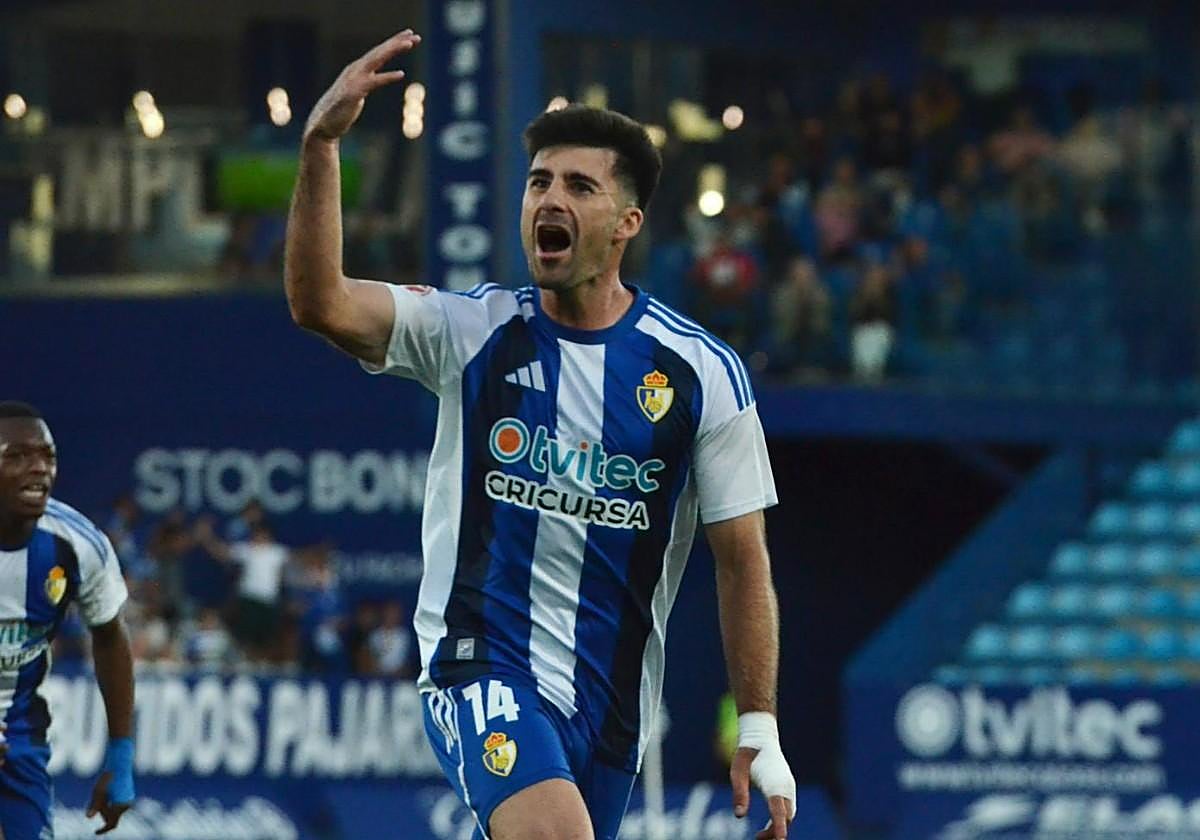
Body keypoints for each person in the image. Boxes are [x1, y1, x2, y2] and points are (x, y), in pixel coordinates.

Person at [284, 29, 795, 840]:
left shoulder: (701, 373)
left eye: (579, 187)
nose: (550, 200)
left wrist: (759, 724)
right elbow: (321, 302)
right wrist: (320, 148)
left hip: (612, 706)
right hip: (480, 665)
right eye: (538, 182)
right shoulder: (470, 330)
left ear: (626, 222)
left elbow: (742, 557)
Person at [0, 401, 135, 836]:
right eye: (17, 456)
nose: (39, 468)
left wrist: (121, 758)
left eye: (47, 456)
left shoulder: (78, 544)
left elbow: (110, 635)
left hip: (20, 743)